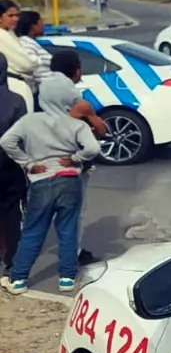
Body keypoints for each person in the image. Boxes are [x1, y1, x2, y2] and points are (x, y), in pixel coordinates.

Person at [0, 71, 101, 294]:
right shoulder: (76, 124)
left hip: (41, 181)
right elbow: (93, 148)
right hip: (69, 181)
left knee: (33, 231)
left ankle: (18, 280)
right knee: (67, 230)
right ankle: (66, 278)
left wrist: (27, 163)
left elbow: (6, 141)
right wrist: (75, 159)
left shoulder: (29, 121)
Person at [42, 50, 107, 266]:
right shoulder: (73, 94)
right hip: (71, 157)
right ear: (76, 69)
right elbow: (100, 129)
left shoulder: (42, 85)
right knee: (75, 209)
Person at [0, 52, 28, 276]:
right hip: (10, 166)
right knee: (11, 213)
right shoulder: (16, 101)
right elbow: (23, 137)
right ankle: (12, 261)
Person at [0, 0, 34, 112]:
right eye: (10, 15)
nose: (15, 19)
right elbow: (27, 64)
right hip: (12, 85)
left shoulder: (9, 33)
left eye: (17, 15)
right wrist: (34, 60)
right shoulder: (2, 35)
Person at [15, 10, 54, 106]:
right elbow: (31, 69)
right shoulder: (26, 44)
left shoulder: (31, 43)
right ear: (33, 26)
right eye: (41, 21)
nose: (43, 24)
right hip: (39, 94)